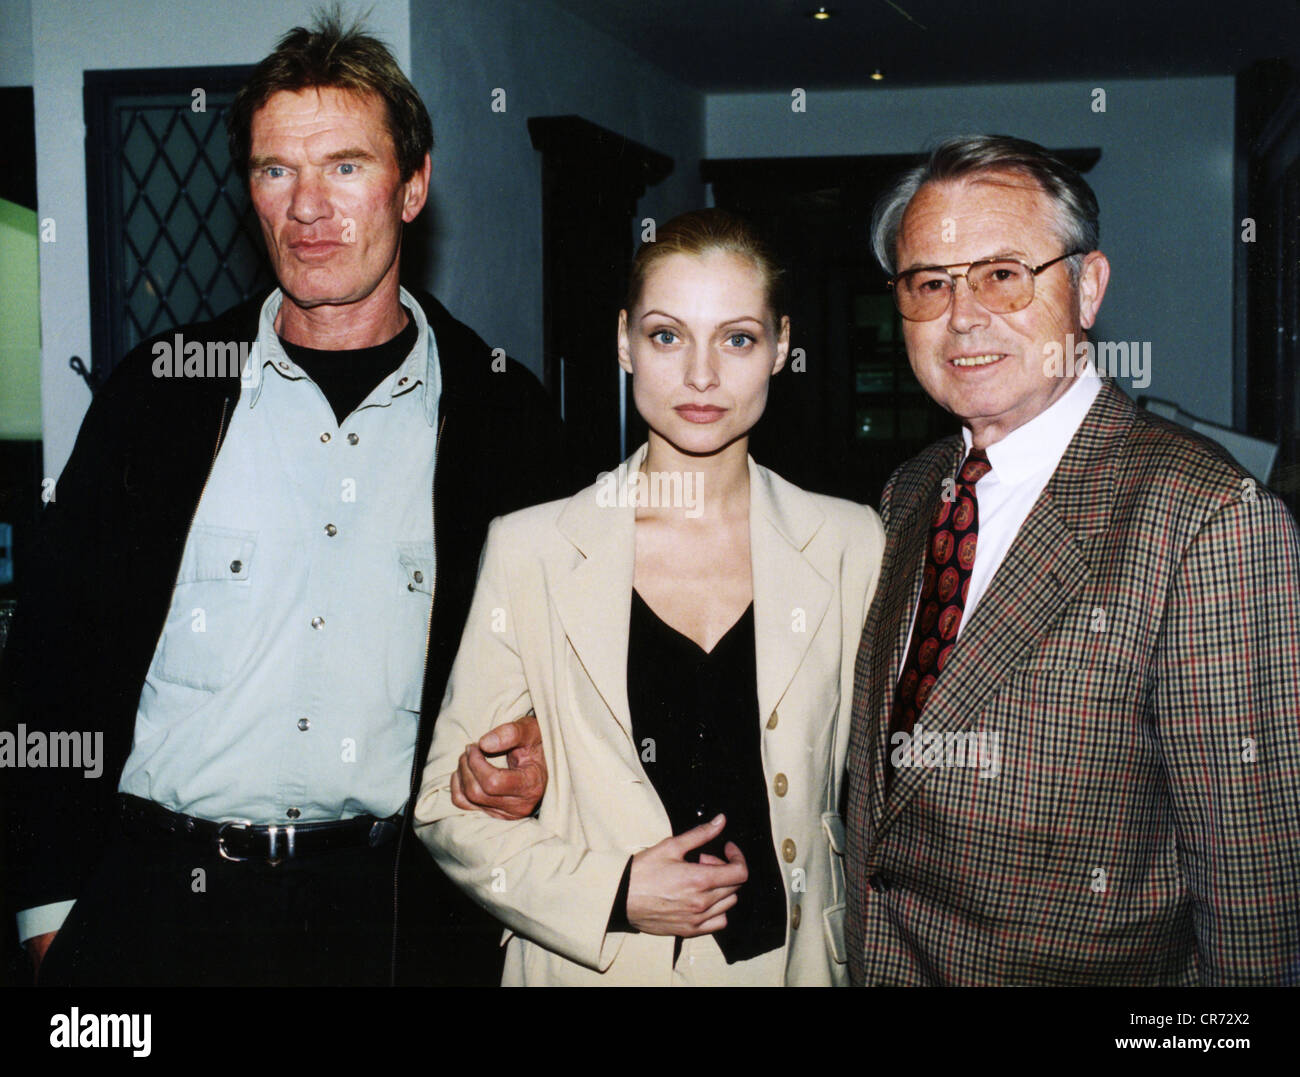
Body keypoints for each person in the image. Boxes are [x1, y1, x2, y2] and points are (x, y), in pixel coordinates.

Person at [2, 12, 560, 987]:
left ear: (413, 186)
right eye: (275, 171)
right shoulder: (160, 393)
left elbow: (569, 663)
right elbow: (51, 662)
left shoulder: (502, 416)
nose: (309, 207)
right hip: (151, 914)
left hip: (392, 920)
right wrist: (50, 919)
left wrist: (540, 750)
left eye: (346, 166)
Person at [844, 134, 1300, 986]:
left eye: (1003, 274)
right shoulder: (909, 493)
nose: (964, 315)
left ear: (1087, 288)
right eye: (929, 283)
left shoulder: (1207, 519)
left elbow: (1255, 890)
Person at [415, 209, 885, 985]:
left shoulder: (850, 542)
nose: (702, 376)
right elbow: (445, 807)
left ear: (781, 347)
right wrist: (616, 890)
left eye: (737, 338)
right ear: (626, 341)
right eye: (668, 336)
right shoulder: (531, 547)